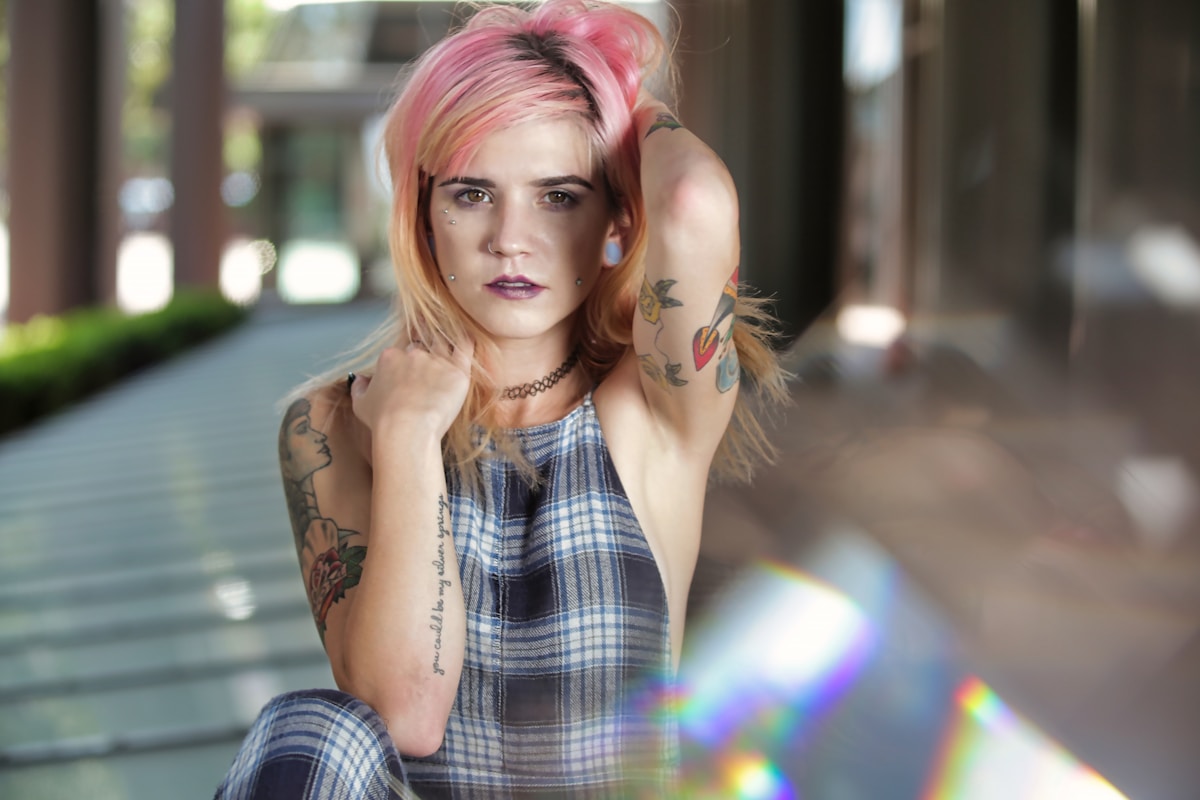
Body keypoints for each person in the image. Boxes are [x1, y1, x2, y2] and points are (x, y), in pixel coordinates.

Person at [216, 0, 789, 797]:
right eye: (472, 194)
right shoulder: (334, 426)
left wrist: (603, 84)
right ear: (422, 213)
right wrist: (411, 435)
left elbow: (693, 200)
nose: (510, 239)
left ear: (618, 213)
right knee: (310, 730)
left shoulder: (648, 413)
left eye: (559, 195)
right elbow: (404, 712)